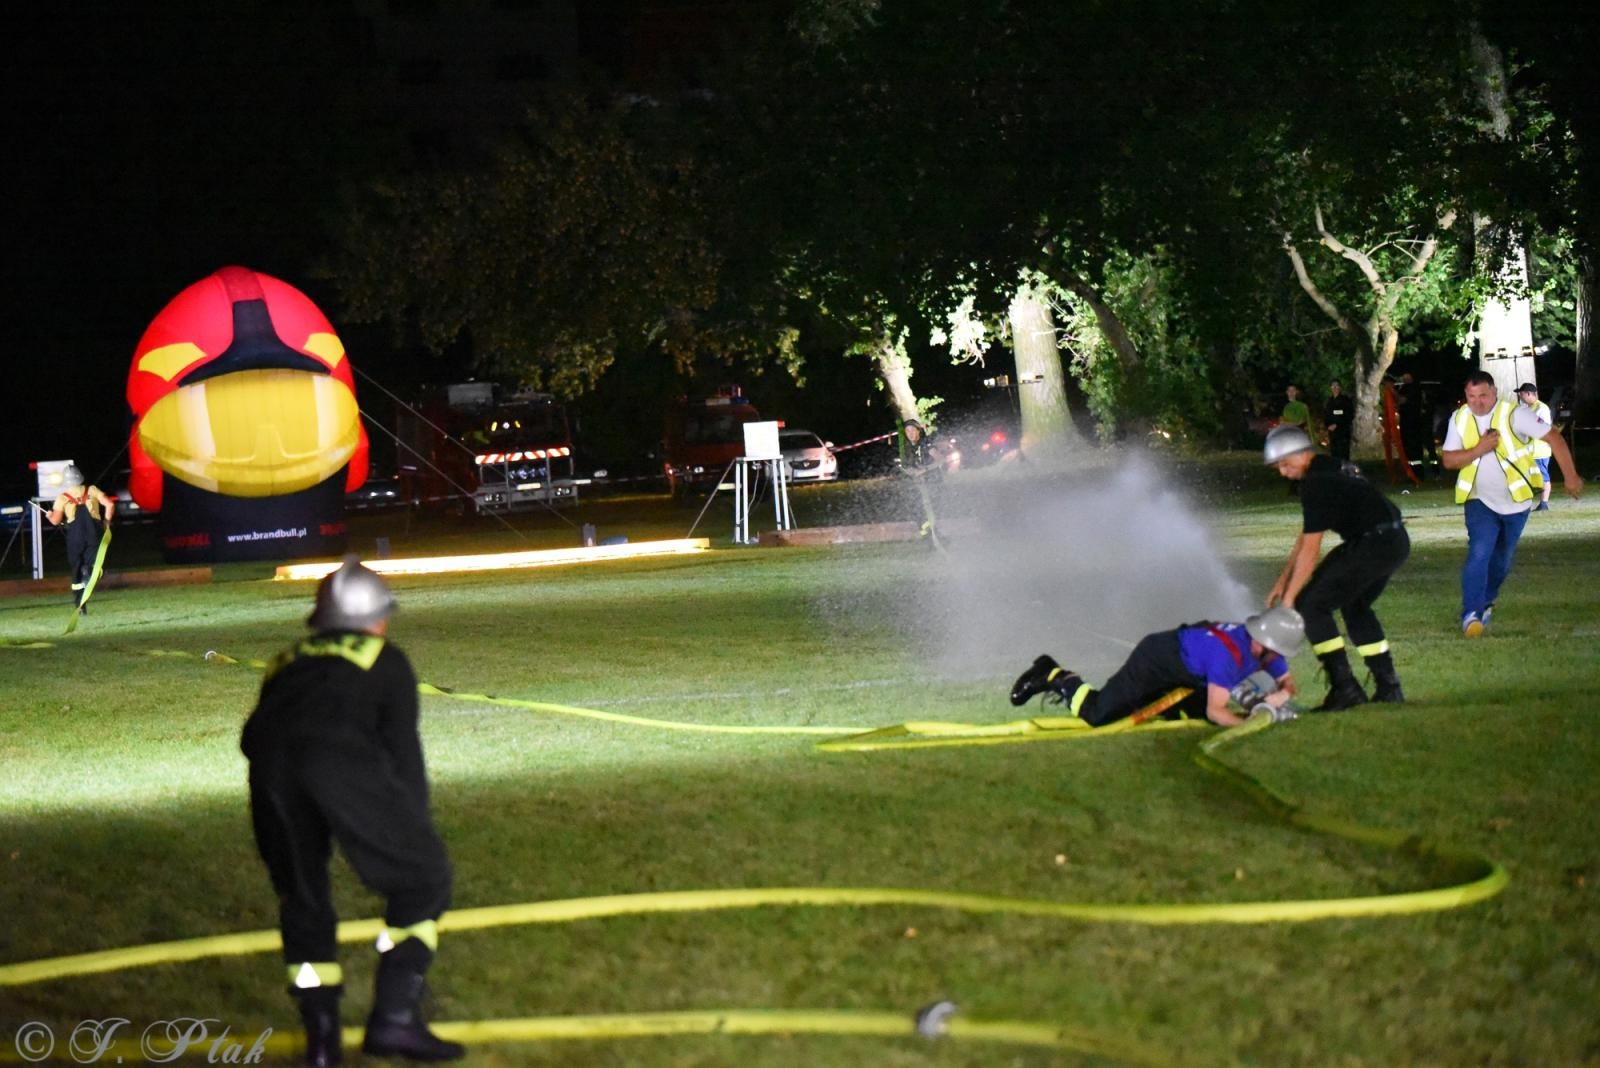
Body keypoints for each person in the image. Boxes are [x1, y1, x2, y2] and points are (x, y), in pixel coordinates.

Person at [242, 558, 463, 1065]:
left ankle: (322, 1043)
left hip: (270, 769)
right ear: (377, 618)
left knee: (303, 896)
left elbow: (256, 733)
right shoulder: (385, 661)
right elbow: (404, 758)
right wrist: (415, 829)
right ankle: (394, 1021)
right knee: (424, 880)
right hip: (336, 759)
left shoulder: (287, 658)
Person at [1263, 425, 1410, 710]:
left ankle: (1345, 689)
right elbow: (1306, 537)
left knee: (1310, 605)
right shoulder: (1330, 467)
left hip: (1373, 544)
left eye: (1285, 463)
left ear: (1303, 453)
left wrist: (1292, 598)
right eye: (1278, 467)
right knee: (1355, 607)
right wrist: (1284, 581)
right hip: (1392, 540)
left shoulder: (1316, 483)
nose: (1283, 472)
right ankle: (1389, 687)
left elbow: (1311, 550)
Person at [1440, 371, 1583, 636]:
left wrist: (1571, 476)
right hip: (1479, 500)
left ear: (1494, 392)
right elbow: (1449, 461)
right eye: (1471, 396)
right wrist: (1478, 450)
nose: (1477, 402)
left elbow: (1554, 438)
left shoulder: (1515, 414)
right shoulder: (1459, 418)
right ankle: (1470, 614)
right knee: (1479, 552)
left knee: (1502, 560)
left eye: (1483, 395)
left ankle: (1486, 601)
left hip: (1517, 504)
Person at [1008, 607, 1305, 728]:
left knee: (1192, 718)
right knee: (1099, 715)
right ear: (1262, 643)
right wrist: (1250, 725)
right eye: (1275, 652)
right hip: (1154, 662)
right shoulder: (1227, 657)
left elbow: (1288, 682)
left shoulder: (1265, 648)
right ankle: (1054, 675)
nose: (1278, 659)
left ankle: (1167, 707)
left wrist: (1281, 695)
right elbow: (1218, 709)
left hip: (1186, 673)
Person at [45, 463, 114, 613]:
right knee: (97, 564)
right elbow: (109, 504)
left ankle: (80, 605)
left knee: (75, 569)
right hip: (94, 533)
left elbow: (56, 521)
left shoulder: (62, 497)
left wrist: (50, 515)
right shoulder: (92, 490)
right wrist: (107, 521)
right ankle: (87, 572)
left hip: (74, 537)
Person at [1515, 382, 1555, 511]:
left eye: (1521, 394)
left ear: (1528, 394)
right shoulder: (1528, 408)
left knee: (1543, 476)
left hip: (1540, 450)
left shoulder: (1541, 408)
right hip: (1530, 451)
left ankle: (1544, 503)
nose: (1520, 397)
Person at [1322, 380, 1354, 461]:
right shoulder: (1329, 401)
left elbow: (1349, 415)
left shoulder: (1345, 400)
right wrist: (1328, 425)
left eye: (1337, 386)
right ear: (1330, 388)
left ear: (1340, 387)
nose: (1335, 388)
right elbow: (1326, 415)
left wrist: (1337, 424)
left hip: (1343, 432)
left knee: (1343, 453)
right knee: (1334, 453)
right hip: (1332, 433)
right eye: (1333, 386)